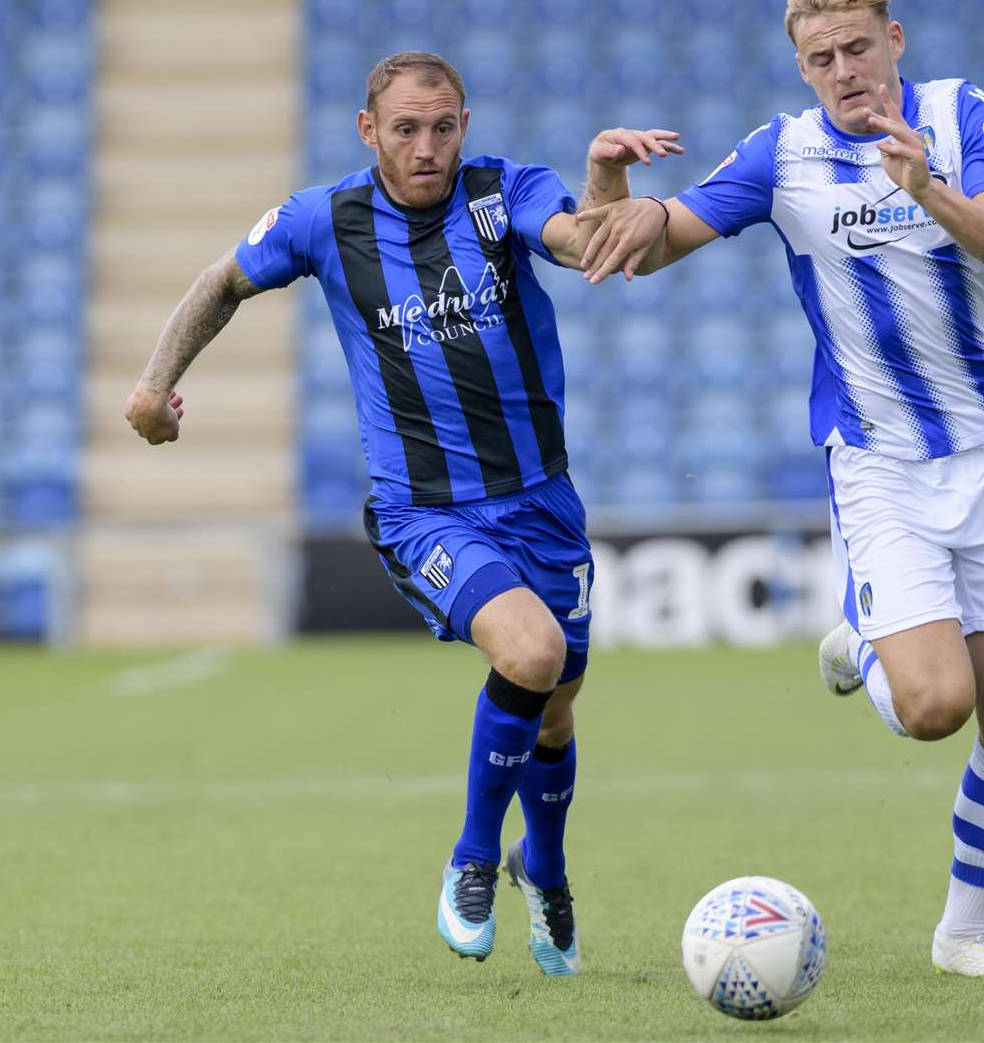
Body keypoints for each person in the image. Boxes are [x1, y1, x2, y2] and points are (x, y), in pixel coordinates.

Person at [123, 50, 682, 978]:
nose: (428, 147)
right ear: (368, 130)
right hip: (424, 511)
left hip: (542, 499)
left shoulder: (506, 192)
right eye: (408, 129)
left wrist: (606, 177)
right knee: (532, 654)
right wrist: (153, 386)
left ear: (465, 123)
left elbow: (584, 243)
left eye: (445, 126)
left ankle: (541, 866)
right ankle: (471, 856)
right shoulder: (322, 220)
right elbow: (222, 281)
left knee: (556, 708)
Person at [575, 0, 984, 978]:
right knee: (938, 708)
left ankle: (965, 932)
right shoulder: (783, 153)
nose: (843, 72)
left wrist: (926, 185)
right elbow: (637, 243)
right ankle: (869, 646)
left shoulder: (959, 113)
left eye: (857, 48)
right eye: (820, 59)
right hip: (880, 464)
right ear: (801, 68)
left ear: (895, 38)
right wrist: (608, 184)